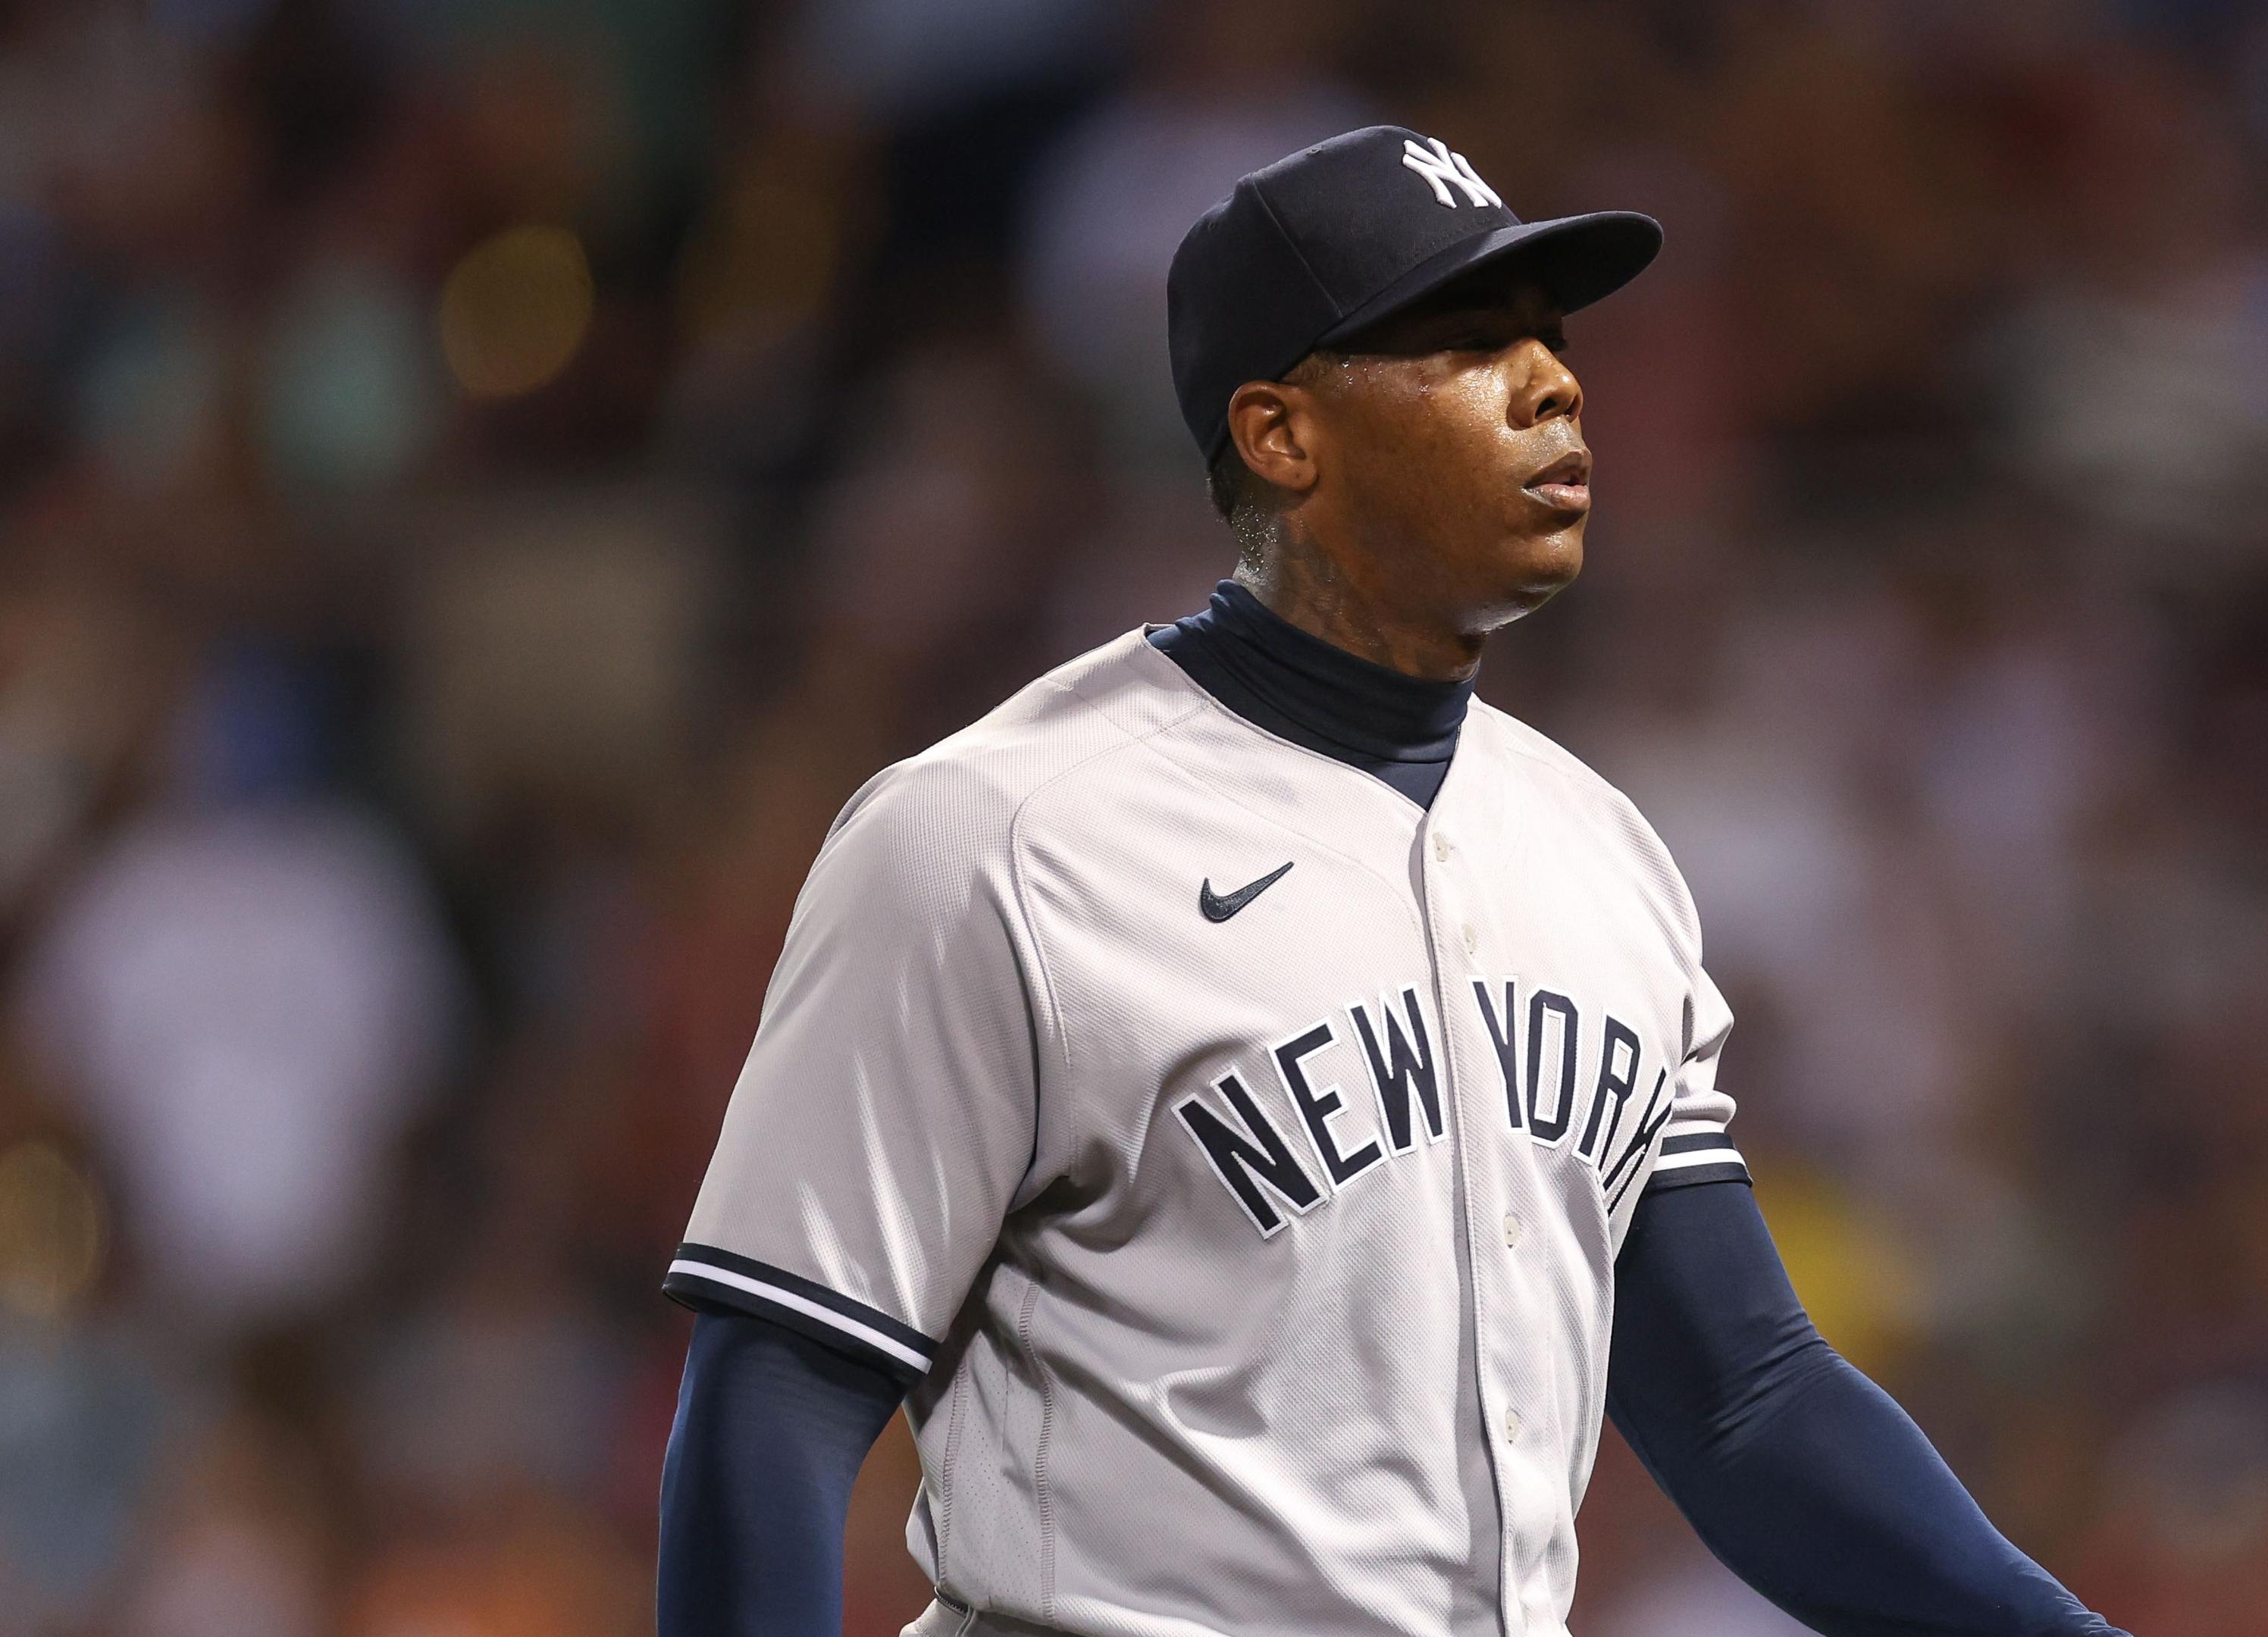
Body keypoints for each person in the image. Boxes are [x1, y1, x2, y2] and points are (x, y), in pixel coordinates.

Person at [656, 125, 2126, 1637]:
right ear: (1285, 436)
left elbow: (1742, 1399)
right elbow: (778, 1391)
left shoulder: (1596, 847)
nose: (1554, 383)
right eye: (1470, 344)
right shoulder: (994, 836)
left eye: (1550, 339)